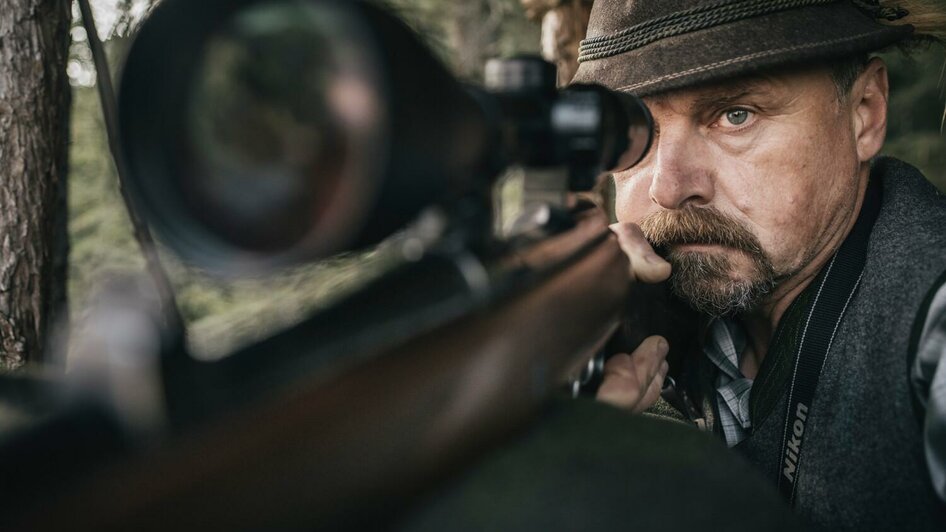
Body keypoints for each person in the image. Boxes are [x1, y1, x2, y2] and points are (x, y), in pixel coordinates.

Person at [571, 0, 946, 530]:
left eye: (735, 115)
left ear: (865, 111)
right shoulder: (635, 321)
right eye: (636, 134)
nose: (669, 188)